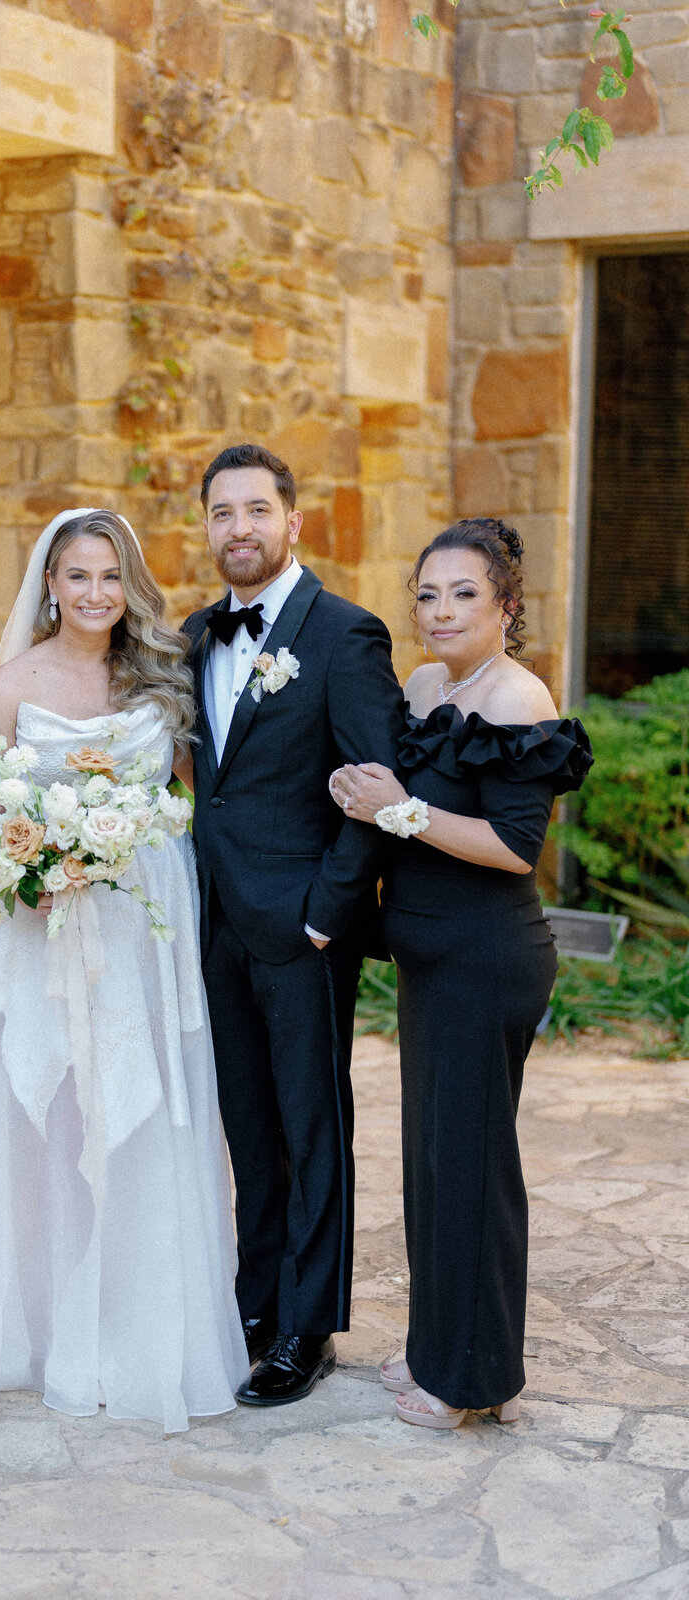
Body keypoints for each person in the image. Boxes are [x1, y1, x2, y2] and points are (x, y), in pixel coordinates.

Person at [0, 509, 247, 1433]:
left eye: (110, 575)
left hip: (145, 927)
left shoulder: (160, 676)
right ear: (50, 583)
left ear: (128, 582)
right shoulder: (14, 683)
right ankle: (44, 1331)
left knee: (142, 1114)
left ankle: (142, 1332)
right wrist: (37, 869)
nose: (95, 593)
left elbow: (185, 792)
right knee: (50, 1119)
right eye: (77, 576)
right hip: (43, 925)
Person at [329, 517, 592, 1429]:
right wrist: (362, 796)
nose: (440, 611)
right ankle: (445, 1352)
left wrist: (399, 814)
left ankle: (471, 1381)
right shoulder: (426, 682)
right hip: (430, 961)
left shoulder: (518, 699)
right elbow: (405, 800)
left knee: (473, 1171)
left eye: (464, 593)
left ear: (506, 607)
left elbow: (515, 847)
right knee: (436, 1167)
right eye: (428, 593)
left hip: (488, 959)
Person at [184, 443, 406, 1407]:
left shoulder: (348, 636)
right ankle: (258, 1300)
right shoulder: (195, 636)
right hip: (218, 926)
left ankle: (307, 1326)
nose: (240, 529)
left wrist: (328, 914)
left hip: (305, 930)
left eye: (257, 511)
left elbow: (377, 790)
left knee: (313, 1128)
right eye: (223, 513)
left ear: (293, 523)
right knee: (247, 1125)